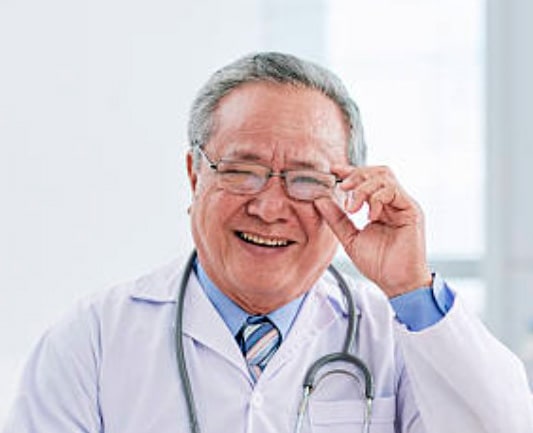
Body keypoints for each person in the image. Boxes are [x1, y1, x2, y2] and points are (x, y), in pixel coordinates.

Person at [3, 52, 533, 433]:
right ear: (194, 175)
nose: (270, 207)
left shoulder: (391, 336)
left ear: (347, 190)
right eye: (241, 170)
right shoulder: (94, 338)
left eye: (306, 178)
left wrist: (411, 287)